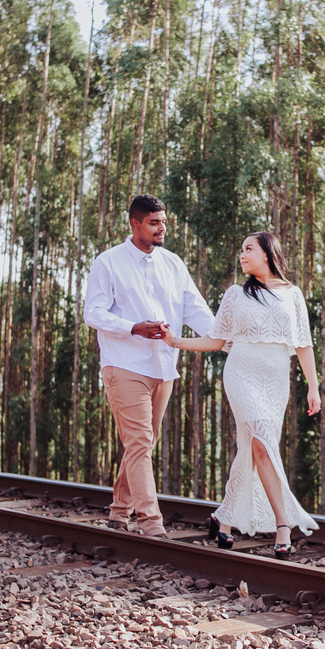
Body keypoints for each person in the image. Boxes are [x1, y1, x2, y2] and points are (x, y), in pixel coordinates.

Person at [162, 231, 320, 559]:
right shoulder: (236, 294)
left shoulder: (293, 294)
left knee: (252, 448)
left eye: (249, 249)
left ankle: (224, 518)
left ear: (267, 254)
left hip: (275, 378)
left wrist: (313, 386)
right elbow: (216, 340)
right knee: (261, 443)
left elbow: (303, 343)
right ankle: (282, 525)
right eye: (241, 249)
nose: (242, 255)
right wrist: (175, 341)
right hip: (241, 373)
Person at [83, 194, 215, 538]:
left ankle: (118, 511)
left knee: (142, 443)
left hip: (164, 366)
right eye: (154, 222)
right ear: (135, 224)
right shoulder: (108, 262)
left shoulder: (173, 263)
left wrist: (224, 339)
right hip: (124, 363)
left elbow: (194, 308)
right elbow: (92, 313)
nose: (162, 228)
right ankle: (151, 524)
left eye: (164, 222)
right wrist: (133, 327)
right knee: (140, 442)